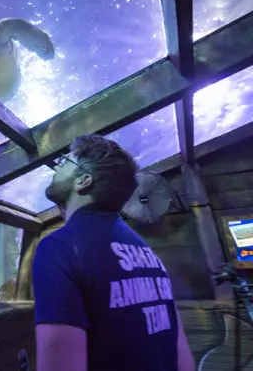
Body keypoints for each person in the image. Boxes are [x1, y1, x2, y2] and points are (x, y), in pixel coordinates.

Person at [32, 134, 195, 371]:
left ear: (83, 181)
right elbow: (181, 352)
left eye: (66, 162)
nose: (57, 167)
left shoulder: (59, 248)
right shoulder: (147, 254)